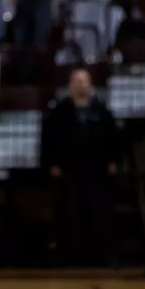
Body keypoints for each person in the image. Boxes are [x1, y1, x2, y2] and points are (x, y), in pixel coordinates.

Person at [42, 67, 122, 266]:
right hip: (70, 170)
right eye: (76, 81)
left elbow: (113, 138)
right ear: (70, 86)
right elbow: (49, 139)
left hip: (96, 170)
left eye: (83, 81)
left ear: (90, 84)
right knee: (71, 212)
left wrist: (113, 161)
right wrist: (53, 163)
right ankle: (70, 255)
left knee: (97, 212)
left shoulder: (101, 111)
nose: (80, 85)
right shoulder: (60, 111)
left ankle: (99, 254)